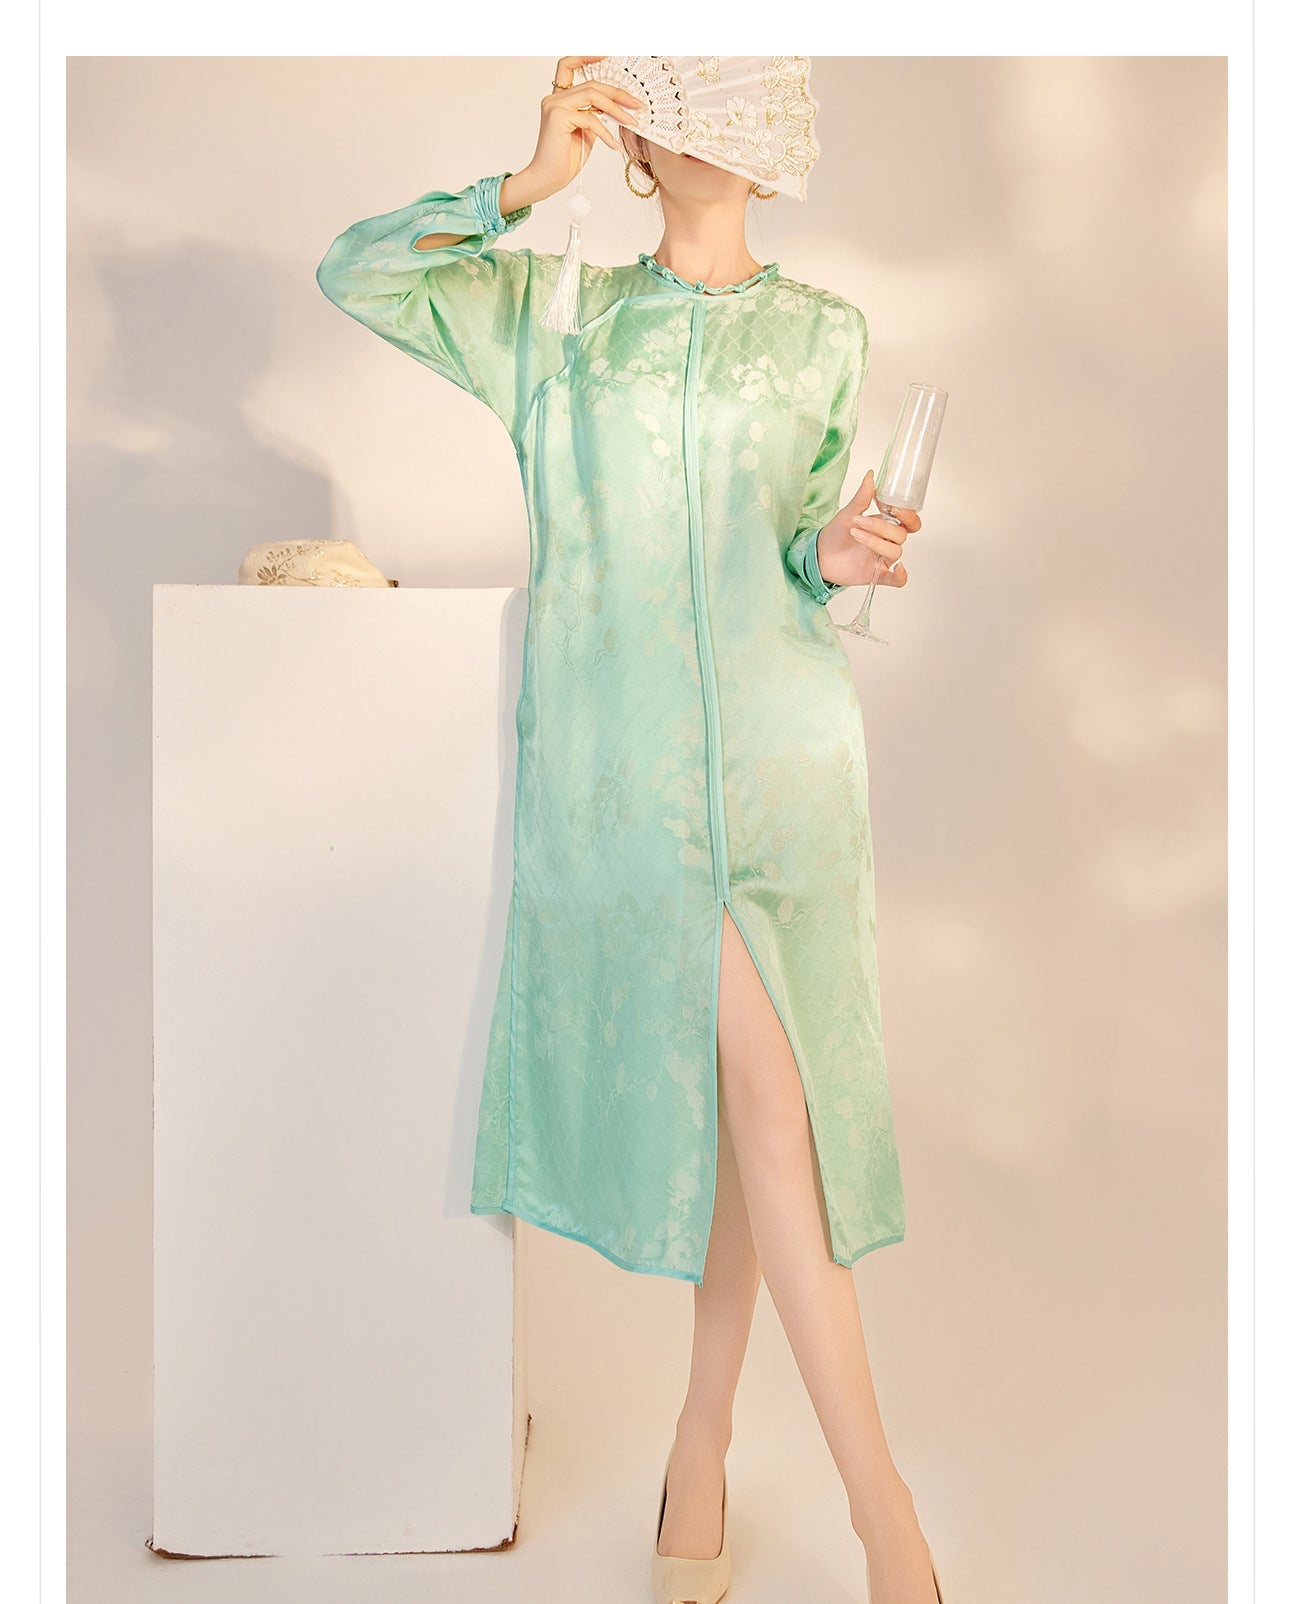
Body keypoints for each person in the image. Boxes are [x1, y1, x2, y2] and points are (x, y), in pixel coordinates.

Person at [316, 53, 941, 1604]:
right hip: (626, 780)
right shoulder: (559, 323)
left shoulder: (823, 332)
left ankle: (707, 1453)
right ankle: (884, 1520)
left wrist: (840, 548)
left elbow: (794, 555)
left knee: (762, 1121)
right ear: (641, 135)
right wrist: (525, 187)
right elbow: (359, 271)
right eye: (683, 101)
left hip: (787, 772)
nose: (712, 127)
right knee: (766, 1117)